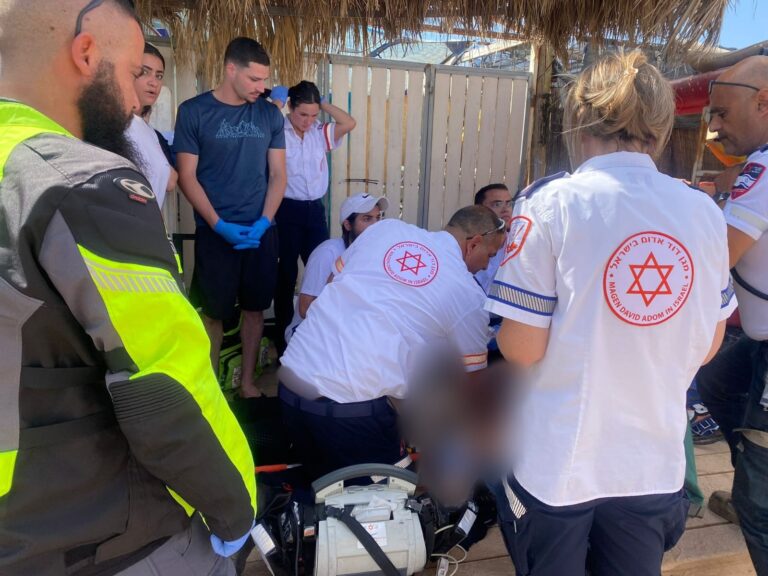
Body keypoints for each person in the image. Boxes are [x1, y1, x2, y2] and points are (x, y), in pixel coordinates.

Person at [0, 2, 256, 575]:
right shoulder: (80, 182)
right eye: (132, 70)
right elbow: (164, 384)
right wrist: (236, 509)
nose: (136, 97)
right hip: (93, 532)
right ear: (86, 53)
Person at [486, 51, 734, 576]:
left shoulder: (549, 204)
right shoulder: (702, 212)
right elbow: (709, 344)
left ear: (579, 117)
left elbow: (521, 348)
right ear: (661, 124)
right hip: (652, 462)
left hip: (560, 459)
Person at [278, 205, 504, 481]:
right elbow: (472, 386)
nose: (486, 266)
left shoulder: (386, 229)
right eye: (490, 255)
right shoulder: (468, 296)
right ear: (474, 243)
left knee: (323, 482)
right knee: (397, 493)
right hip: (348, 410)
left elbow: (331, 283)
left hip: (292, 381)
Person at [175, 37, 287, 398]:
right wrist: (217, 224)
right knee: (213, 313)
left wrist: (265, 221)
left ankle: (248, 383)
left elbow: (278, 175)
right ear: (230, 69)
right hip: (215, 233)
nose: (262, 87)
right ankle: (211, 389)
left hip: (260, 232)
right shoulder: (194, 111)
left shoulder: (269, 114)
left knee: (255, 310)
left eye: (265, 79)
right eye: (254, 79)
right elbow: (187, 176)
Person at [697, 55, 768, 574]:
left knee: (758, 508)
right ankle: (753, 465)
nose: (714, 127)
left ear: (764, 101)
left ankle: (755, 483)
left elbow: (715, 257)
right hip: (758, 342)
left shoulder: (763, 169)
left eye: (722, 113)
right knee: (719, 379)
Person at [270, 80, 357, 354]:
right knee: (285, 277)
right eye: (302, 114)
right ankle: (282, 341)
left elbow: (349, 122)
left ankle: (320, 338)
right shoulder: (277, 130)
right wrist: (276, 105)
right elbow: (263, 123)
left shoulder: (320, 132)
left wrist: (324, 105)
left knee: (324, 273)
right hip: (285, 209)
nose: (308, 121)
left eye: (313, 114)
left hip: (314, 212)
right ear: (290, 107)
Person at [284, 193, 388, 345]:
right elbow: (305, 309)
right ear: (348, 225)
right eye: (367, 219)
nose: (375, 225)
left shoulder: (376, 253)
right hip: (310, 332)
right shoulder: (327, 253)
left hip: (350, 330)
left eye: (377, 218)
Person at [125, 42, 177, 208]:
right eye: (144, 72)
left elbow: (170, 182)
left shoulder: (151, 133)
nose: (153, 82)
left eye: (159, 76)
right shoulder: (112, 124)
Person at [473, 183, 513, 294]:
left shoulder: (519, 247)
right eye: (497, 204)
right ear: (479, 210)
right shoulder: (466, 245)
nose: (505, 209)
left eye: (509, 203)